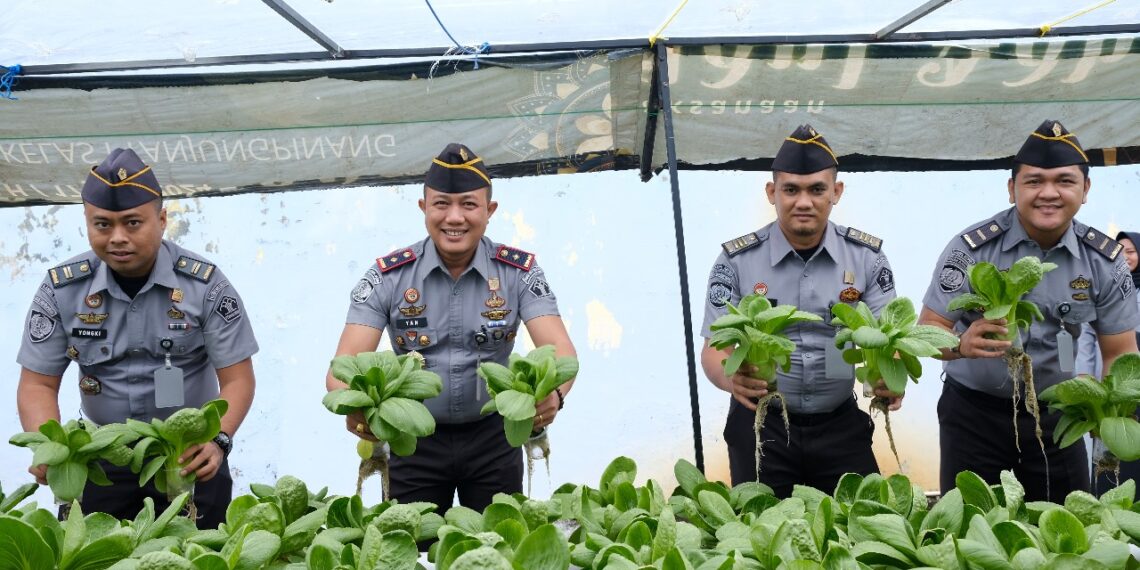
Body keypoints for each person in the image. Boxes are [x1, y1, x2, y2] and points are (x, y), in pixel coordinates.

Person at [327, 142, 576, 512]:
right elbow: (341, 367)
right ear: (424, 207)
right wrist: (354, 404)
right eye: (442, 203)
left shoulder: (519, 273)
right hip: (412, 439)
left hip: (496, 440)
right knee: (409, 549)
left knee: (496, 549)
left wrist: (553, 396)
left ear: (489, 211)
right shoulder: (389, 276)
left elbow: (563, 353)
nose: (454, 217)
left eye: (469, 205)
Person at [16, 148, 258, 527]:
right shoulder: (62, 289)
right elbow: (37, 384)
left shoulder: (205, 285)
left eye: (132, 223)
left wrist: (219, 442)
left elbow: (238, 379)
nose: (117, 238)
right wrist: (50, 449)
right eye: (102, 225)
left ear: (161, 220)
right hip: (101, 461)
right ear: (87, 222)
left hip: (187, 458)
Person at [919, 120, 1140, 502]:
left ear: (1085, 190)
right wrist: (961, 343)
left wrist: (1111, 414)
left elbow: (1120, 355)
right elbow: (925, 333)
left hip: (1058, 419)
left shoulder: (1104, 260)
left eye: (1064, 181)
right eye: (1034, 181)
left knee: (1066, 529)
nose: (1049, 193)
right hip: (974, 416)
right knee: (972, 528)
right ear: (1012, 189)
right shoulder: (971, 249)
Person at [699, 124, 901, 497]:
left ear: (836, 192)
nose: (803, 201)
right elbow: (714, 348)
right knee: (760, 537)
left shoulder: (867, 258)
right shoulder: (737, 262)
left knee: (855, 529)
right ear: (772, 192)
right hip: (762, 427)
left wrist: (890, 374)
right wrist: (731, 380)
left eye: (816, 189)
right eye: (791, 189)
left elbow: (891, 338)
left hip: (840, 426)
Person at [1076, 230, 1140, 493]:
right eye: (1120, 251)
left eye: (1131, 251)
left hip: (1135, 383)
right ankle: (1104, 498)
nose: (1125, 257)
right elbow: (1084, 340)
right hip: (1107, 384)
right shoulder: (1103, 286)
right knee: (1106, 446)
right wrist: (1082, 379)